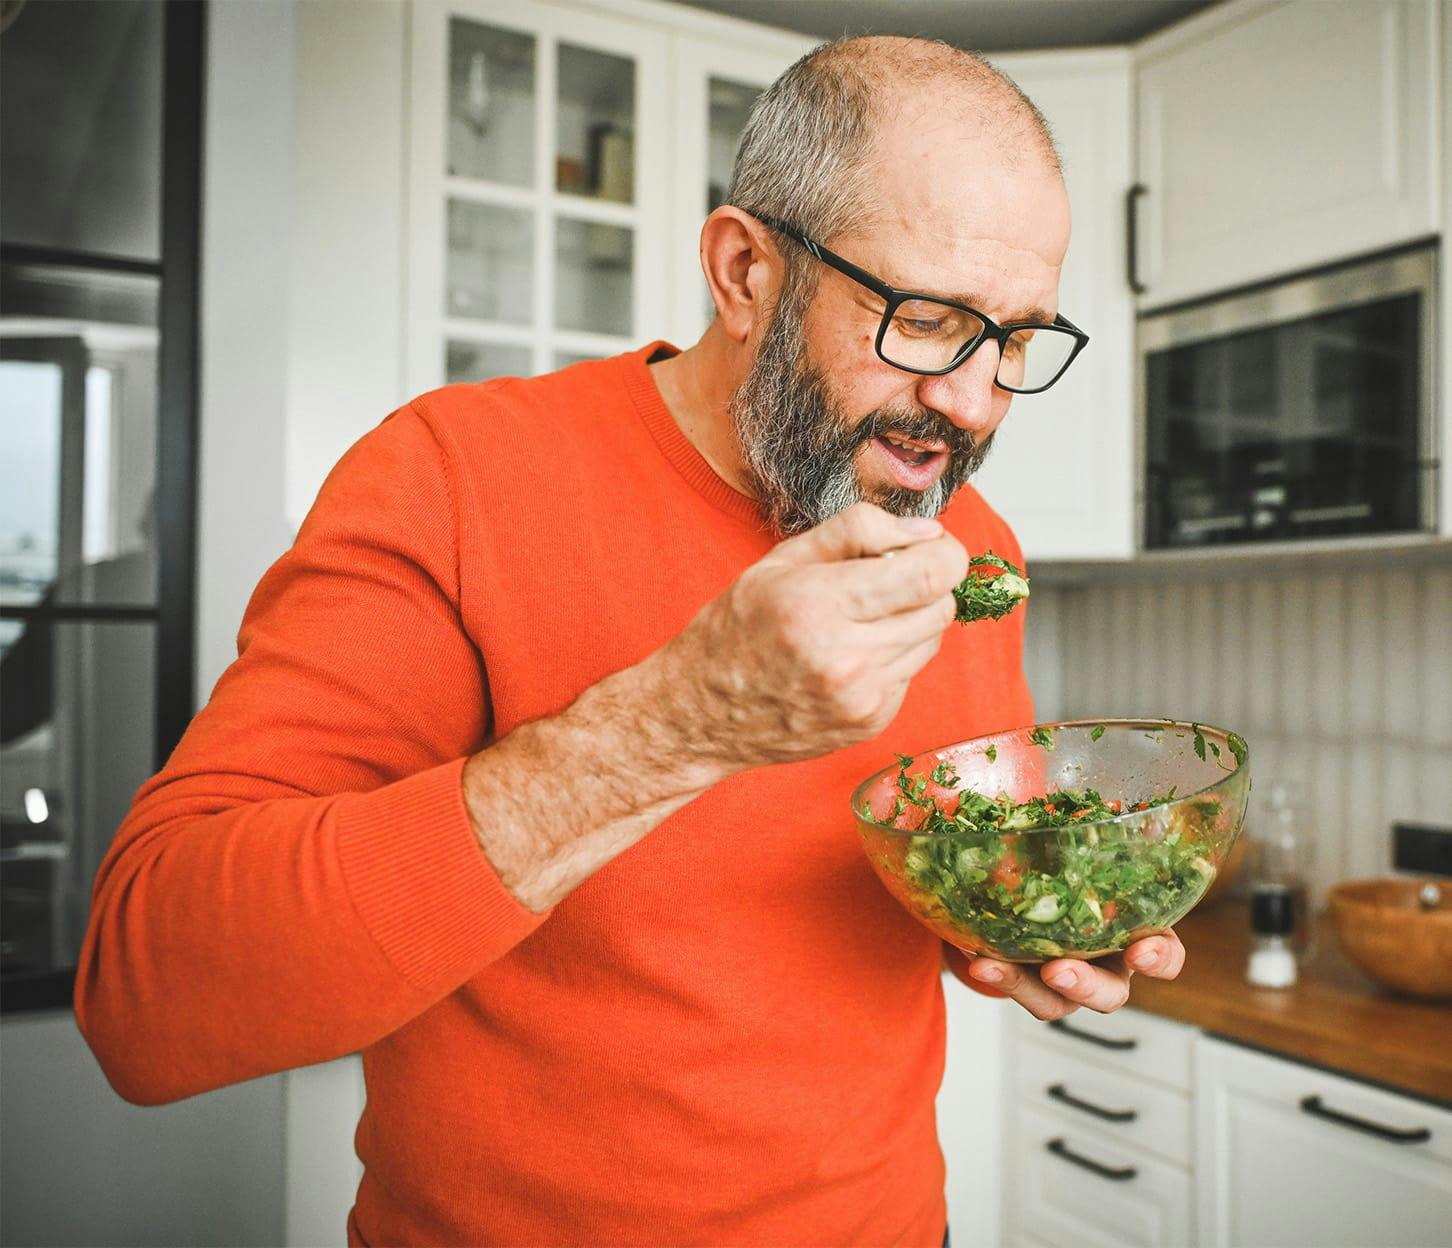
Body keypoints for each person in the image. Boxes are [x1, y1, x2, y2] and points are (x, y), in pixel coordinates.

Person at [74, 35, 1184, 1247]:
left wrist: (1038, 920)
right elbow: (148, 999)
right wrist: (672, 728)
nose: (974, 406)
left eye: (1017, 340)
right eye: (927, 321)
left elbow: (917, 886)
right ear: (746, 270)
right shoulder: (453, 478)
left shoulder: (978, 548)